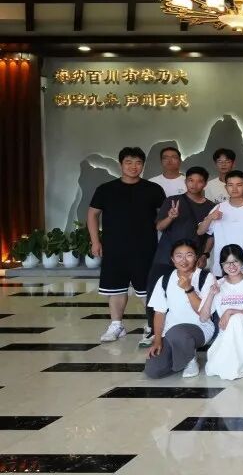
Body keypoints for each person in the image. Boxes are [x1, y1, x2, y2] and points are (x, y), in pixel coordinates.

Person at [88, 146, 166, 342]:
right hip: (114, 248)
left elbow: (163, 218)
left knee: (147, 289)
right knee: (115, 289)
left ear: (143, 165)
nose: (133, 166)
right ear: (121, 164)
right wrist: (95, 241)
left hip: (145, 248)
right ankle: (116, 325)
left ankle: (152, 325)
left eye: (138, 163)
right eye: (129, 162)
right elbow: (92, 214)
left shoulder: (153, 189)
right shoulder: (106, 189)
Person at [145, 167, 214, 347]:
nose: (194, 184)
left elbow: (210, 236)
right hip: (164, 257)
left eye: (199, 181)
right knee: (156, 294)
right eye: (190, 180)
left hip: (192, 260)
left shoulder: (210, 207)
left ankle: (191, 329)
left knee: (191, 294)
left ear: (205, 184)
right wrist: (170, 217)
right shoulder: (172, 201)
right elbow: (159, 227)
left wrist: (205, 254)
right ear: (185, 181)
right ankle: (153, 331)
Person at [144, 239, 215, 379]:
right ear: (172, 259)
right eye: (179, 256)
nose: (184, 260)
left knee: (178, 332)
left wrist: (188, 288)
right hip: (170, 332)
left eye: (189, 255)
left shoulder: (206, 277)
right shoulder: (164, 279)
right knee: (153, 370)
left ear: (196, 257)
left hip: (200, 328)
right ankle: (182, 354)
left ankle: (190, 360)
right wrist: (157, 340)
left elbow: (203, 314)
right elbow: (159, 313)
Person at [200, 244, 243, 380]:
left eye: (235, 261)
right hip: (227, 335)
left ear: (242, 262)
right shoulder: (217, 285)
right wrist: (211, 294)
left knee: (237, 318)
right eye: (227, 263)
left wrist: (231, 311)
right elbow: (203, 318)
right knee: (215, 366)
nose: (231, 266)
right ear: (222, 265)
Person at [199, 170, 243, 278]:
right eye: (230, 185)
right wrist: (210, 217)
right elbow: (200, 231)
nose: (234, 189)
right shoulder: (219, 208)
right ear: (226, 187)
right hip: (221, 266)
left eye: (239, 185)